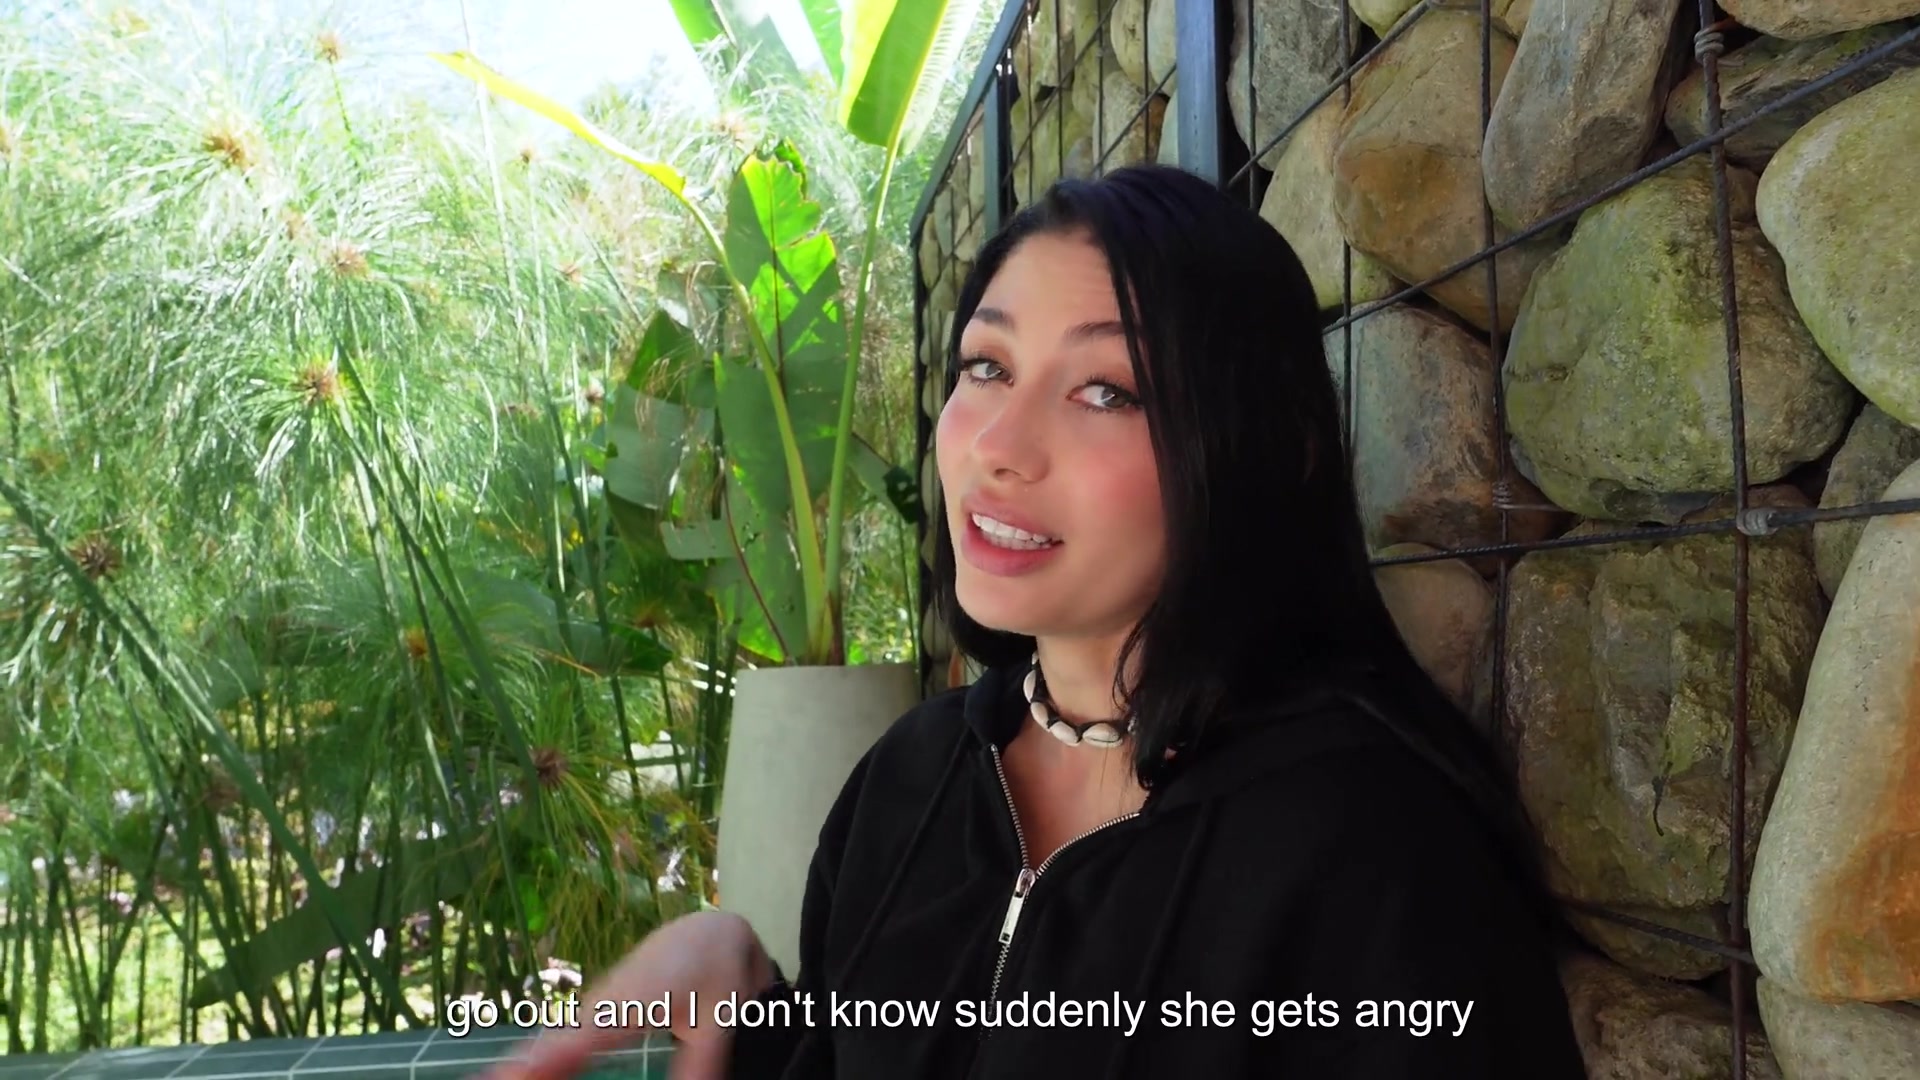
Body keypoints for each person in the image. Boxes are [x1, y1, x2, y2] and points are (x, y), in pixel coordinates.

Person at [488, 164, 1590, 1079]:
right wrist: (751, 1003)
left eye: (1107, 389)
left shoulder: (1378, 853)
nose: (999, 446)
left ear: (1268, 451)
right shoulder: (911, 781)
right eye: (987, 365)